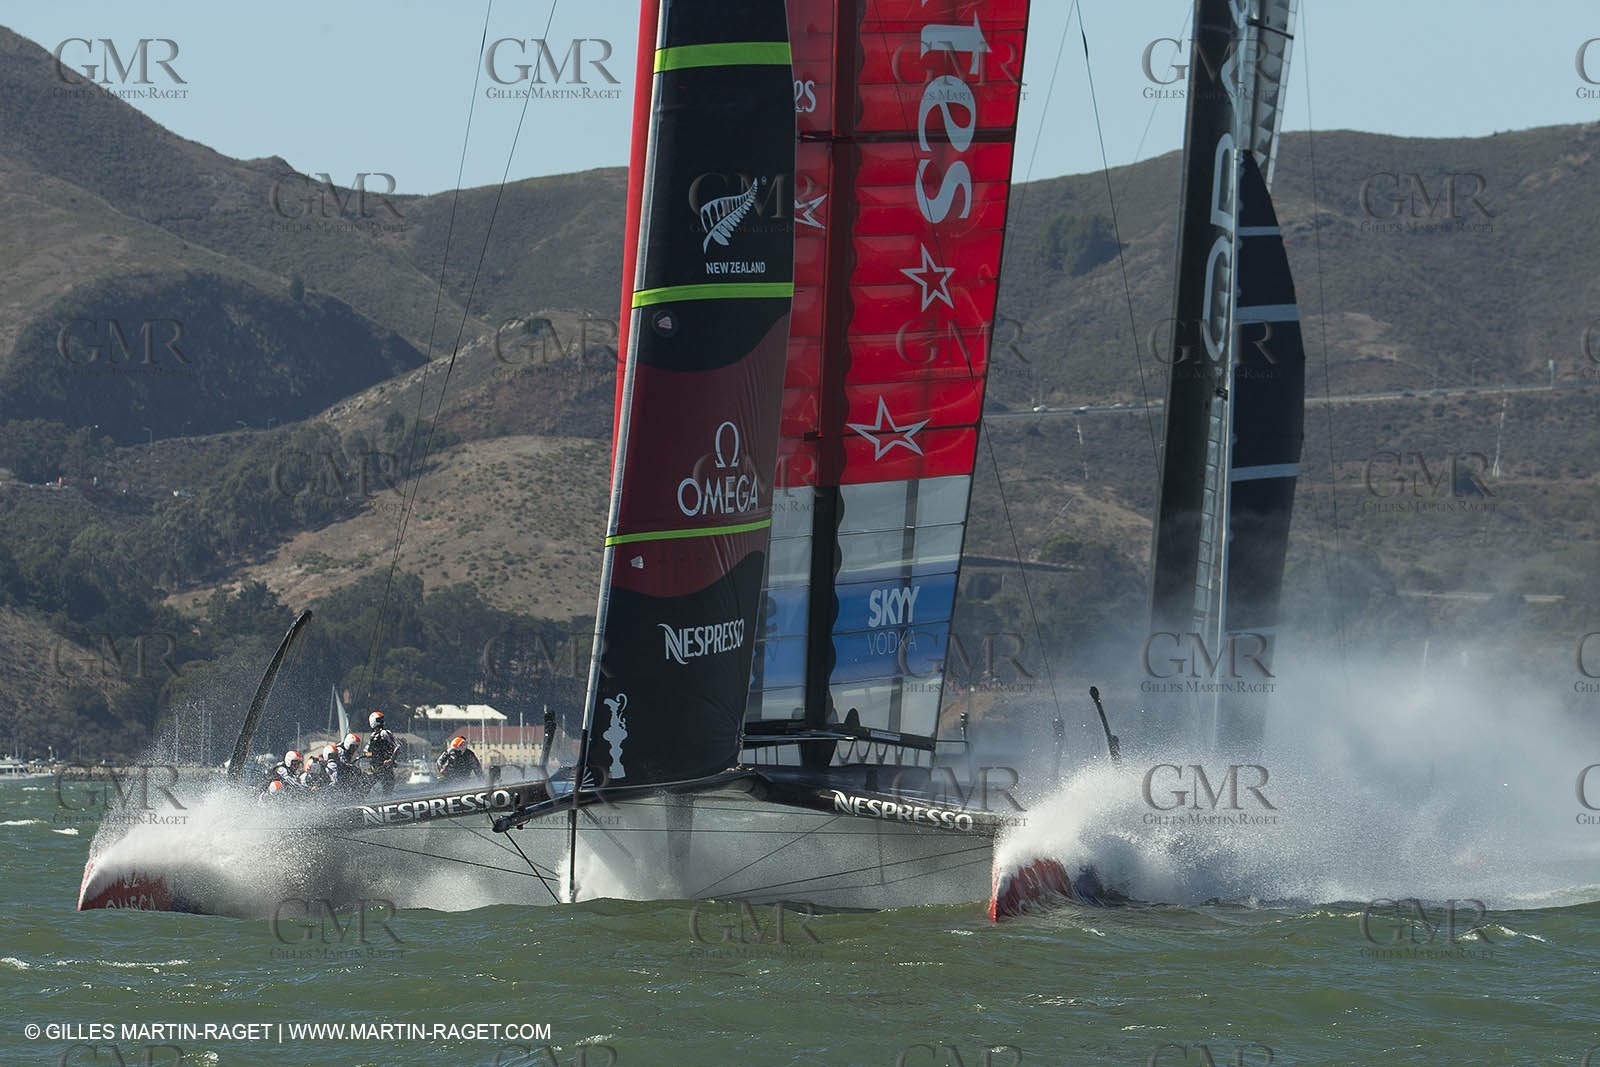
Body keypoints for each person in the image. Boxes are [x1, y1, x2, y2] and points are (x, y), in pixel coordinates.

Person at [363, 711, 399, 795]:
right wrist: (371, 755)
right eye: (380, 719)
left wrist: (391, 759)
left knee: (388, 787)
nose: (382, 721)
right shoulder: (372, 736)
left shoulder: (385, 733)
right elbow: (365, 751)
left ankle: (388, 801)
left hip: (385, 767)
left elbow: (397, 747)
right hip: (375, 767)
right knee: (367, 786)